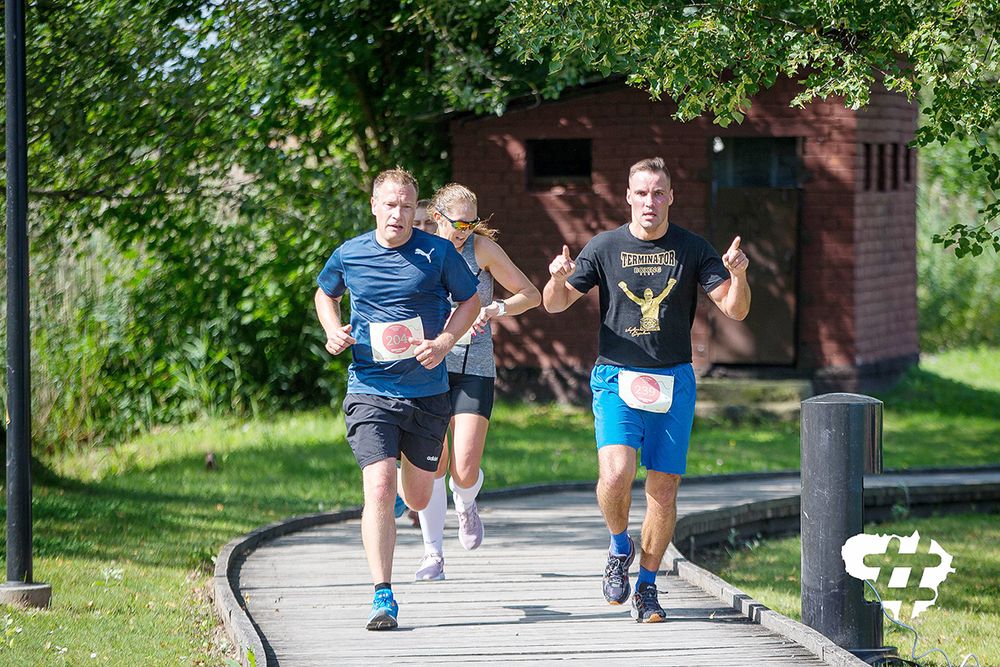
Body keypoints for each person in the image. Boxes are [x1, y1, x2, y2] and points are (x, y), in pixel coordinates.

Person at [542, 157, 750, 623]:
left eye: (658, 192)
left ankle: (648, 586)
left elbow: (735, 310)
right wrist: (556, 279)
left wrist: (738, 276)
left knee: (663, 490)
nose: (650, 201)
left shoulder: (692, 248)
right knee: (616, 474)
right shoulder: (604, 246)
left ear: (671, 196)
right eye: (641, 193)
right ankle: (620, 546)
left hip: (672, 379)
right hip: (617, 376)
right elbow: (555, 305)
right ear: (628, 197)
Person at [314, 168, 481, 631]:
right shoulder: (350, 253)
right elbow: (325, 294)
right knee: (380, 486)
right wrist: (332, 329)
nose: (398, 214)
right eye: (390, 204)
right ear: (374, 205)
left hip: (427, 392)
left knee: (418, 495)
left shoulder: (438, 253)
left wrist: (445, 341)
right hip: (370, 389)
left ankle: (409, 500)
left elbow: (469, 302)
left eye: (407, 206)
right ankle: (383, 594)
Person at [411, 183, 541, 581]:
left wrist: (496, 307)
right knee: (434, 462)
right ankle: (433, 554)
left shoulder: (481, 250)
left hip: (474, 365)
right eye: (460, 223)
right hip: (428, 366)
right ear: (437, 217)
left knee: (464, 468)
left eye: (473, 222)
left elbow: (530, 294)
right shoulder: (419, 249)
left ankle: (466, 502)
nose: (466, 230)